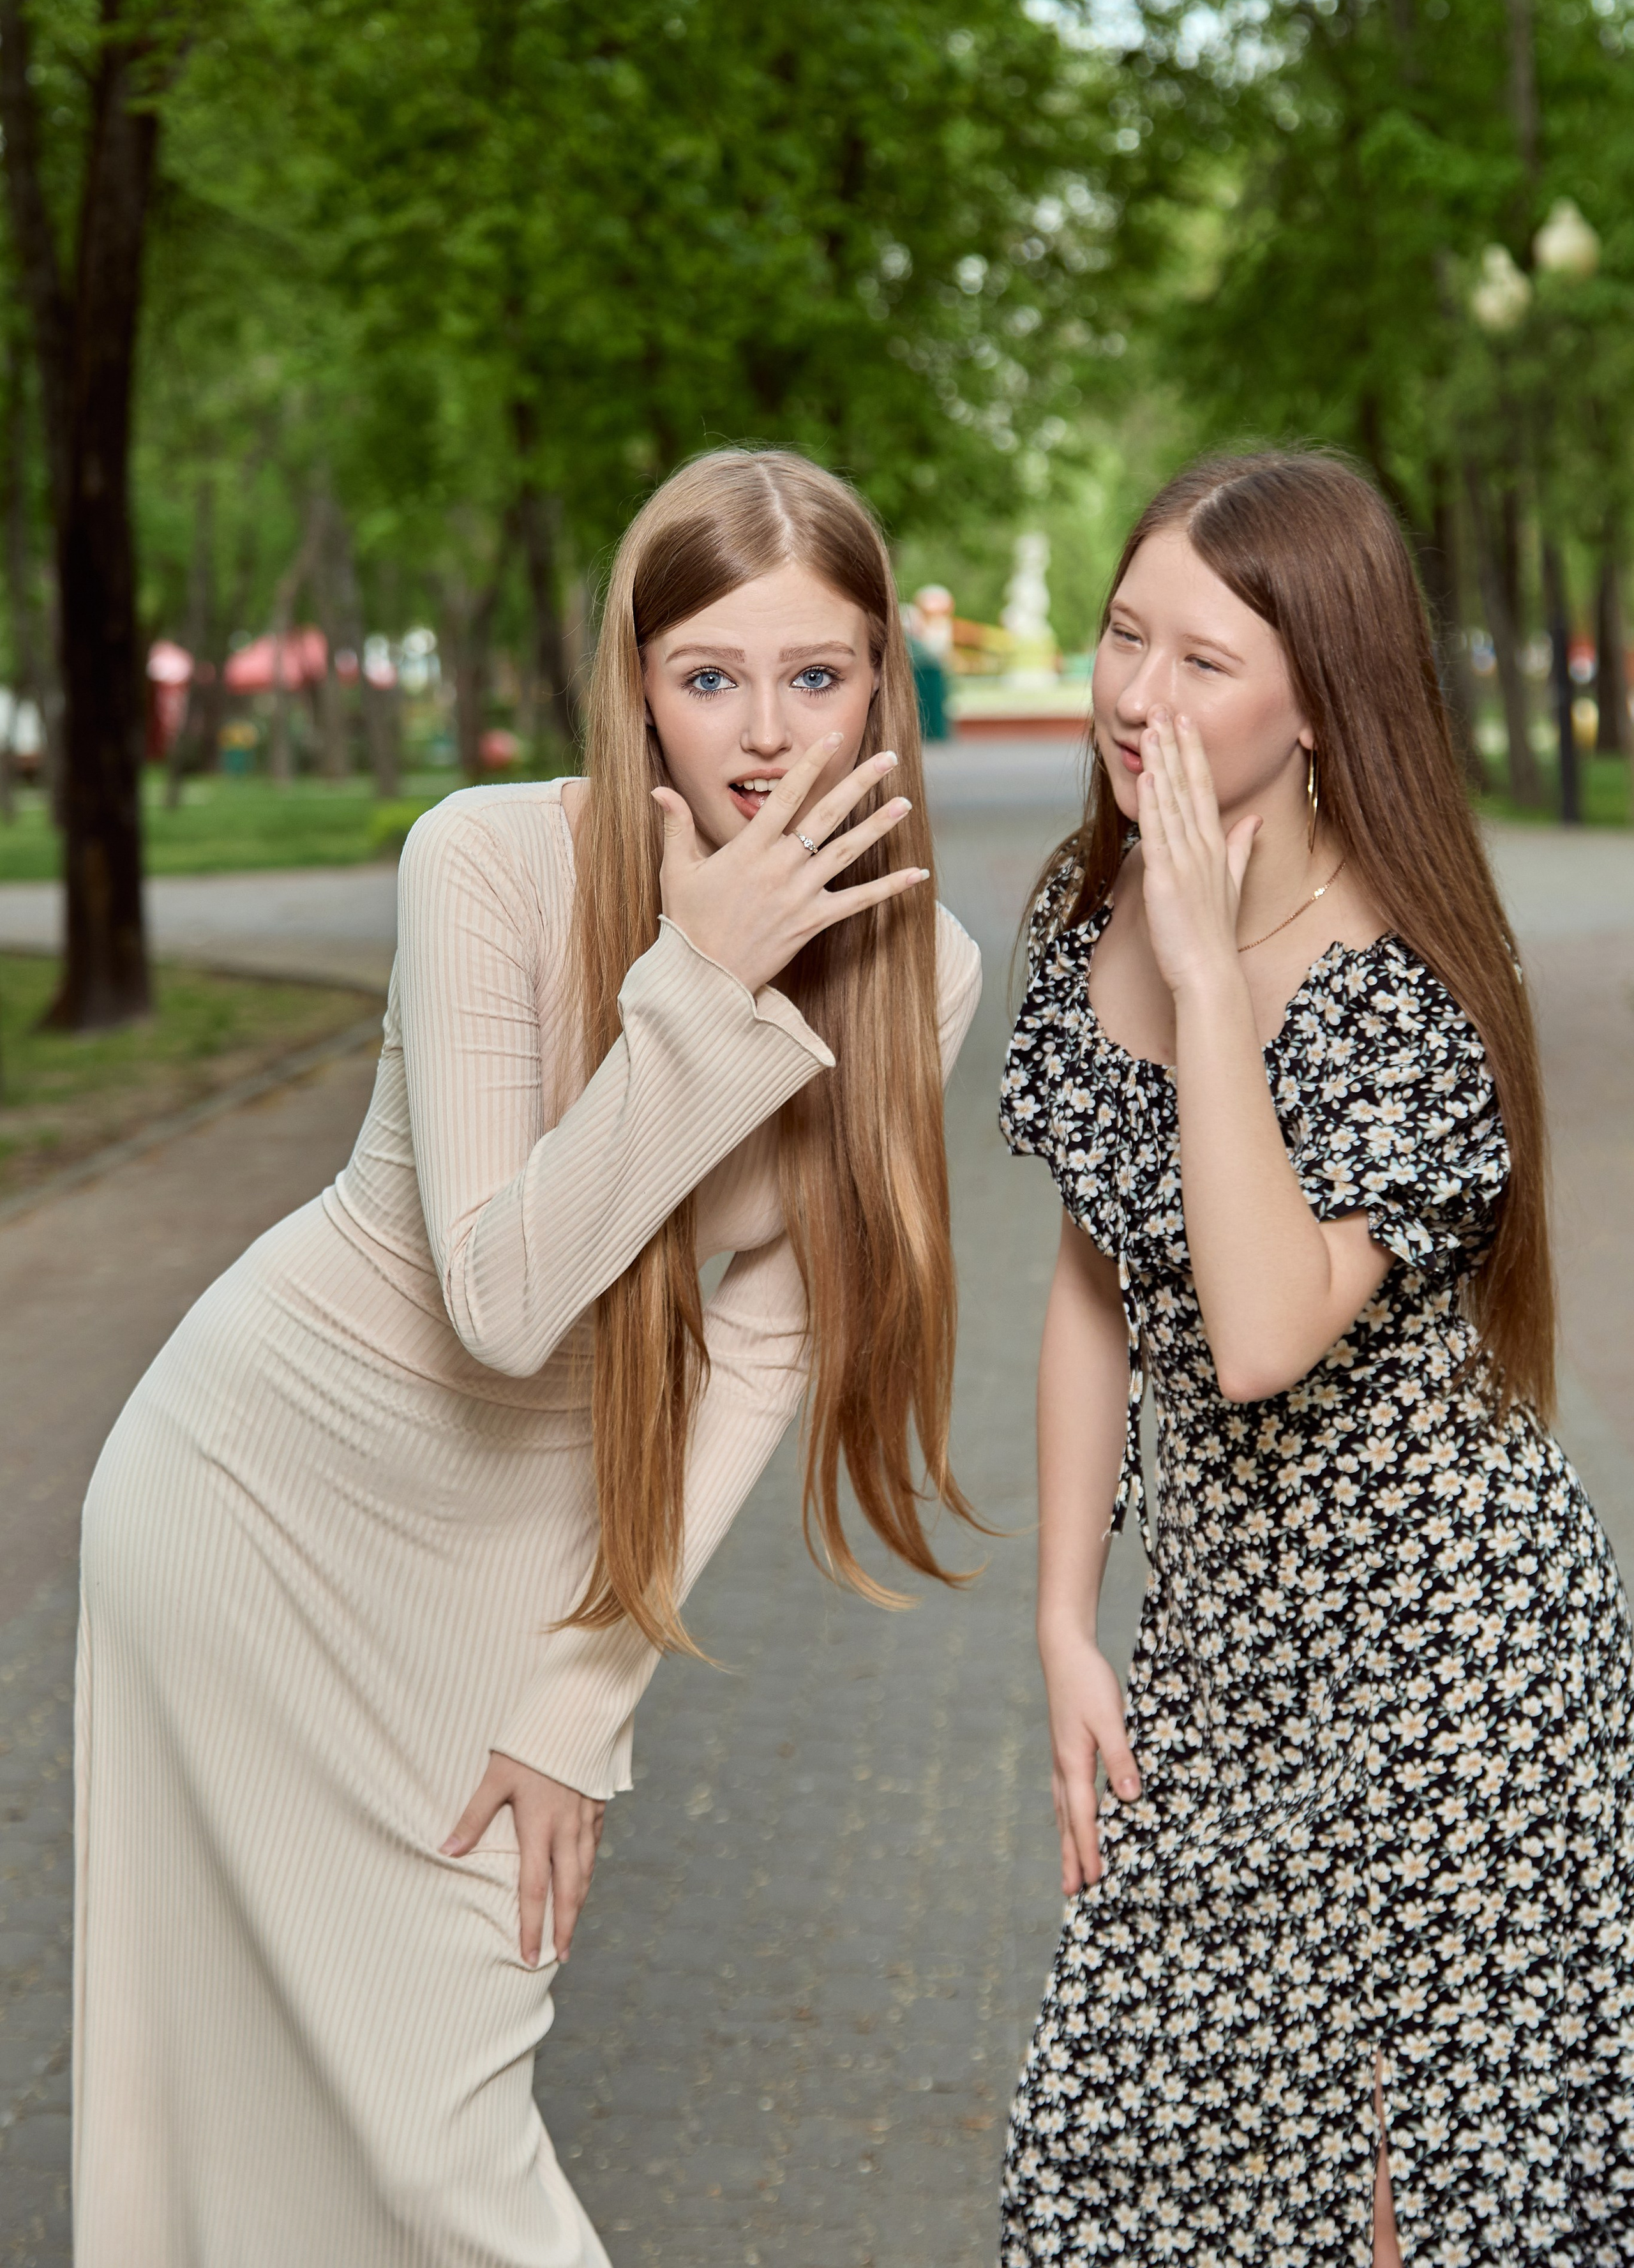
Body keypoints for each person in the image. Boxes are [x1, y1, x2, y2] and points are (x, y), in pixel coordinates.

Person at [74, 449, 982, 2267]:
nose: (764, 734)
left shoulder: (919, 970)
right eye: (709, 674)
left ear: (884, 682)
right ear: (632, 679)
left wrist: (579, 1708)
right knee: (287, 2129)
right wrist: (702, 991)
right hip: (256, 1502)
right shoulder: (482, 864)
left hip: (503, 1576)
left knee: (430, 2125)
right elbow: (503, 1297)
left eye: (818, 674)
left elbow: (756, 1358)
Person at [997, 451, 1634, 2264]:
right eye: (1128, 636)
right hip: (1220, 1669)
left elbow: (1263, 1329)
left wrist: (1210, 987)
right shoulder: (1082, 903)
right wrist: (1061, 1613)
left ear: (1321, 700)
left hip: (1457, 1678)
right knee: (1120, 2153)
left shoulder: (1402, 983)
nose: (1139, 694)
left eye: (1205, 661)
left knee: (1401, 2210)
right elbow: (1095, 1281)